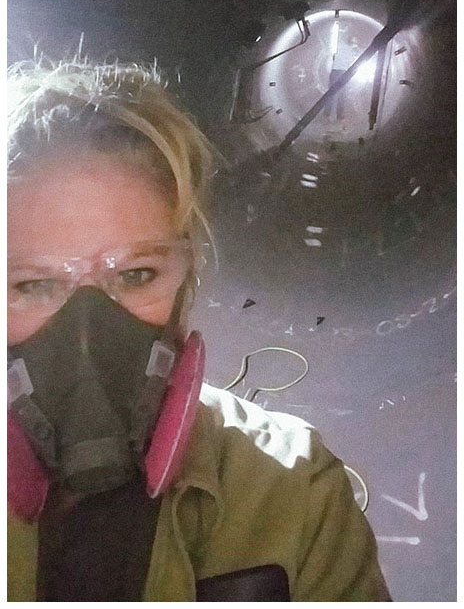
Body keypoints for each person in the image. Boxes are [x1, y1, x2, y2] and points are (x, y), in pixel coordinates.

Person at [7, 59, 391, 601]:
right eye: (33, 284)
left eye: (136, 274)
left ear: (186, 281)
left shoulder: (292, 487)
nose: (87, 334)